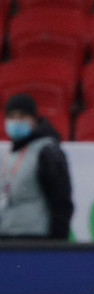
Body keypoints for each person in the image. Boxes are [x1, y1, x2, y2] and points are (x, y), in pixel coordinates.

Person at [0, 93, 73, 240]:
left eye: (22, 116)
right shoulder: (9, 152)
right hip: (6, 234)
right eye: (11, 116)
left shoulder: (47, 151)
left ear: (34, 119)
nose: (16, 121)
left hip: (35, 237)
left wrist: (58, 242)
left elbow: (60, 199)